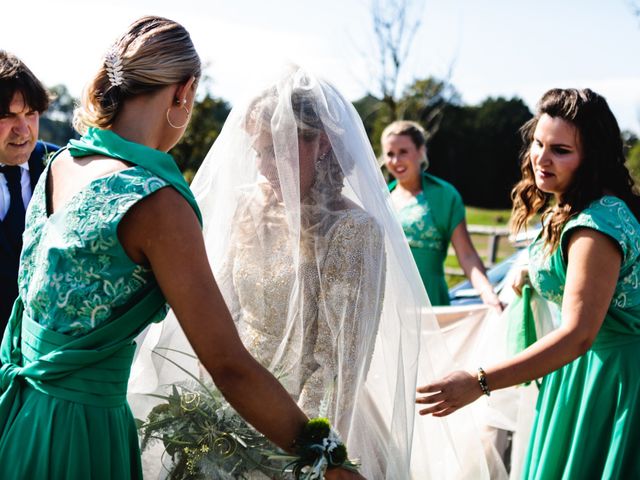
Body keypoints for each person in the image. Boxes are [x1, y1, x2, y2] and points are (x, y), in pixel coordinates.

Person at [0, 17, 361, 480]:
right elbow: (228, 365)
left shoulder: (61, 163)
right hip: (79, 432)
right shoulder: (157, 202)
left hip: (17, 411)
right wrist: (326, 457)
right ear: (183, 92)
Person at [131, 65, 492, 479]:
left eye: (277, 150)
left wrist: (306, 452)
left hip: (300, 421)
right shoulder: (249, 210)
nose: (265, 166)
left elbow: (336, 365)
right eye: (258, 151)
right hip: (227, 399)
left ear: (320, 144)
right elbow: (220, 311)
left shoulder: (353, 232)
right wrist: (211, 399)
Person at [416, 88, 640, 479]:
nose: (542, 157)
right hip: (576, 372)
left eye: (561, 150)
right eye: (538, 142)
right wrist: (528, 271)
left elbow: (577, 335)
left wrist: (479, 381)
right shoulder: (578, 206)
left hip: (610, 380)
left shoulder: (596, 228)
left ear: (593, 156)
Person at [381, 120, 501, 308]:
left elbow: (467, 255)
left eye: (403, 152)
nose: (396, 161)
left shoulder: (445, 195)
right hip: (387, 303)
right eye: (390, 154)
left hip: (430, 302)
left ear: (420, 151)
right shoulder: (381, 199)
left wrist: (488, 294)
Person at [0, 50, 58, 333]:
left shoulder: (63, 166)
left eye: (30, 114)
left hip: (44, 346)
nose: (23, 130)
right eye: (6, 117)